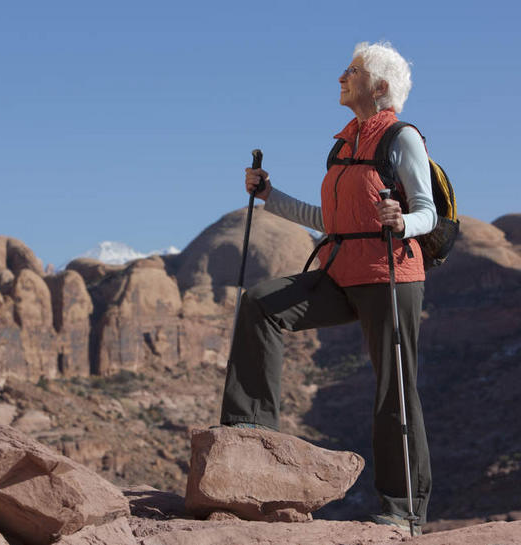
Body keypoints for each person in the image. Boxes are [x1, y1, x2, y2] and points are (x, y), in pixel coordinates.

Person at [219, 41, 436, 533]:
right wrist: (270, 196)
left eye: (352, 70)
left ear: (379, 86)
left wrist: (402, 222)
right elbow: (330, 221)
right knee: (261, 303)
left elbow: (429, 211)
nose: (341, 76)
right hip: (341, 269)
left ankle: (404, 508)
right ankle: (249, 428)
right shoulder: (343, 143)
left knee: (394, 389)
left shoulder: (401, 138)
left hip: (389, 275)